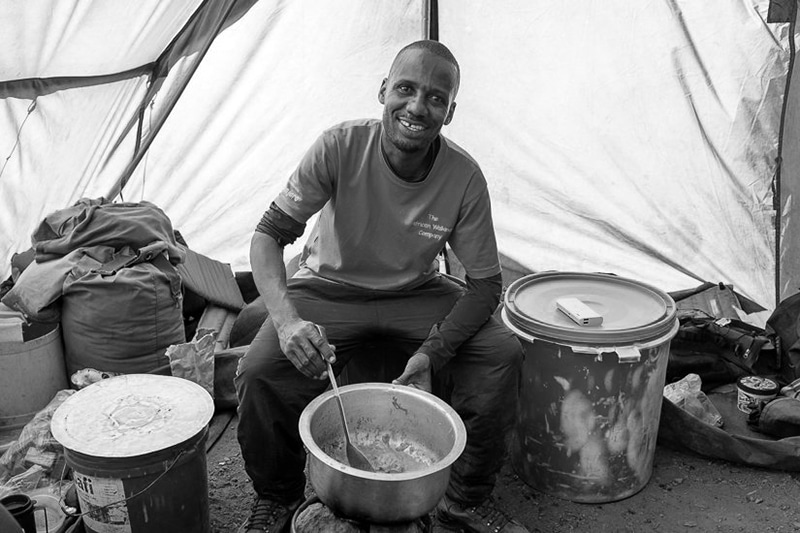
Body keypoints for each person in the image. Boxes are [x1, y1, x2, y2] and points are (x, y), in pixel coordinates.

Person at [235, 39, 529, 533]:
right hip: (327, 288)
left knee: (502, 354)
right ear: (383, 91)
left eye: (436, 98)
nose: (417, 107)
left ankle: (465, 498)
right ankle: (278, 497)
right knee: (261, 368)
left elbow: (484, 284)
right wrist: (286, 322)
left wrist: (433, 353)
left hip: (417, 292)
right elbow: (268, 237)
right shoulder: (339, 145)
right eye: (406, 89)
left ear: (450, 112)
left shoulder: (464, 176)